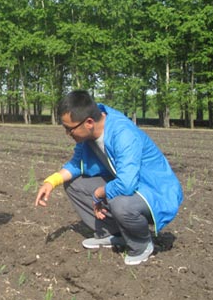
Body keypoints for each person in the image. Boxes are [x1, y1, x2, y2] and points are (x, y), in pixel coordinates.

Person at [34, 90, 182, 266]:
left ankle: (141, 245)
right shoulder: (88, 135)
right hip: (132, 186)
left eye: (69, 129)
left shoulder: (124, 134)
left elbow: (126, 185)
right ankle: (114, 234)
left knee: (120, 202)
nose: (67, 133)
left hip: (157, 192)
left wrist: (99, 193)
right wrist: (51, 182)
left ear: (89, 123)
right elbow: (76, 164)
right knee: (74, 184)